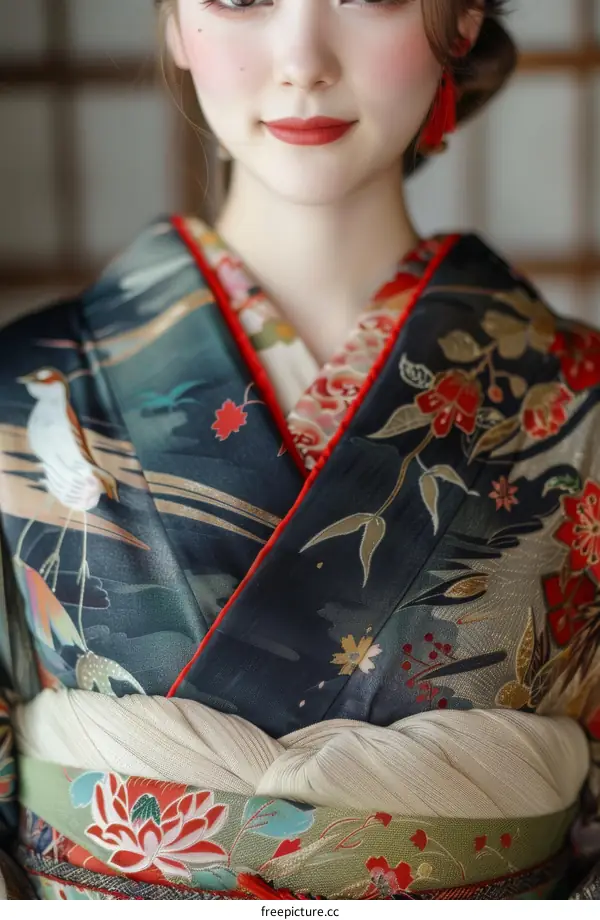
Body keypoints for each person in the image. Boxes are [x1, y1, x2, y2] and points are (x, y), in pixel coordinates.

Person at [0, 0, 599, 901]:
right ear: (170, 19)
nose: (303, 59)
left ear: (464, 18)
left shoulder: (577, 397)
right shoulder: (21, 390)